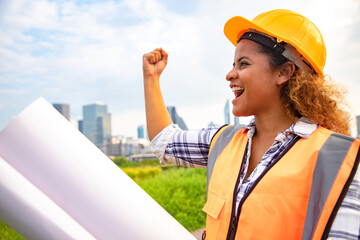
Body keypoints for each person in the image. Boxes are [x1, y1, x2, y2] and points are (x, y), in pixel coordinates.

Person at [142, 9, 360, 240]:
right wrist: (151, 79)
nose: (229, 74)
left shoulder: (338, 161)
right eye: (233, 64)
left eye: (243, 64)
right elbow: (164, 142)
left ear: (284, 72)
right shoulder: (223, 141)